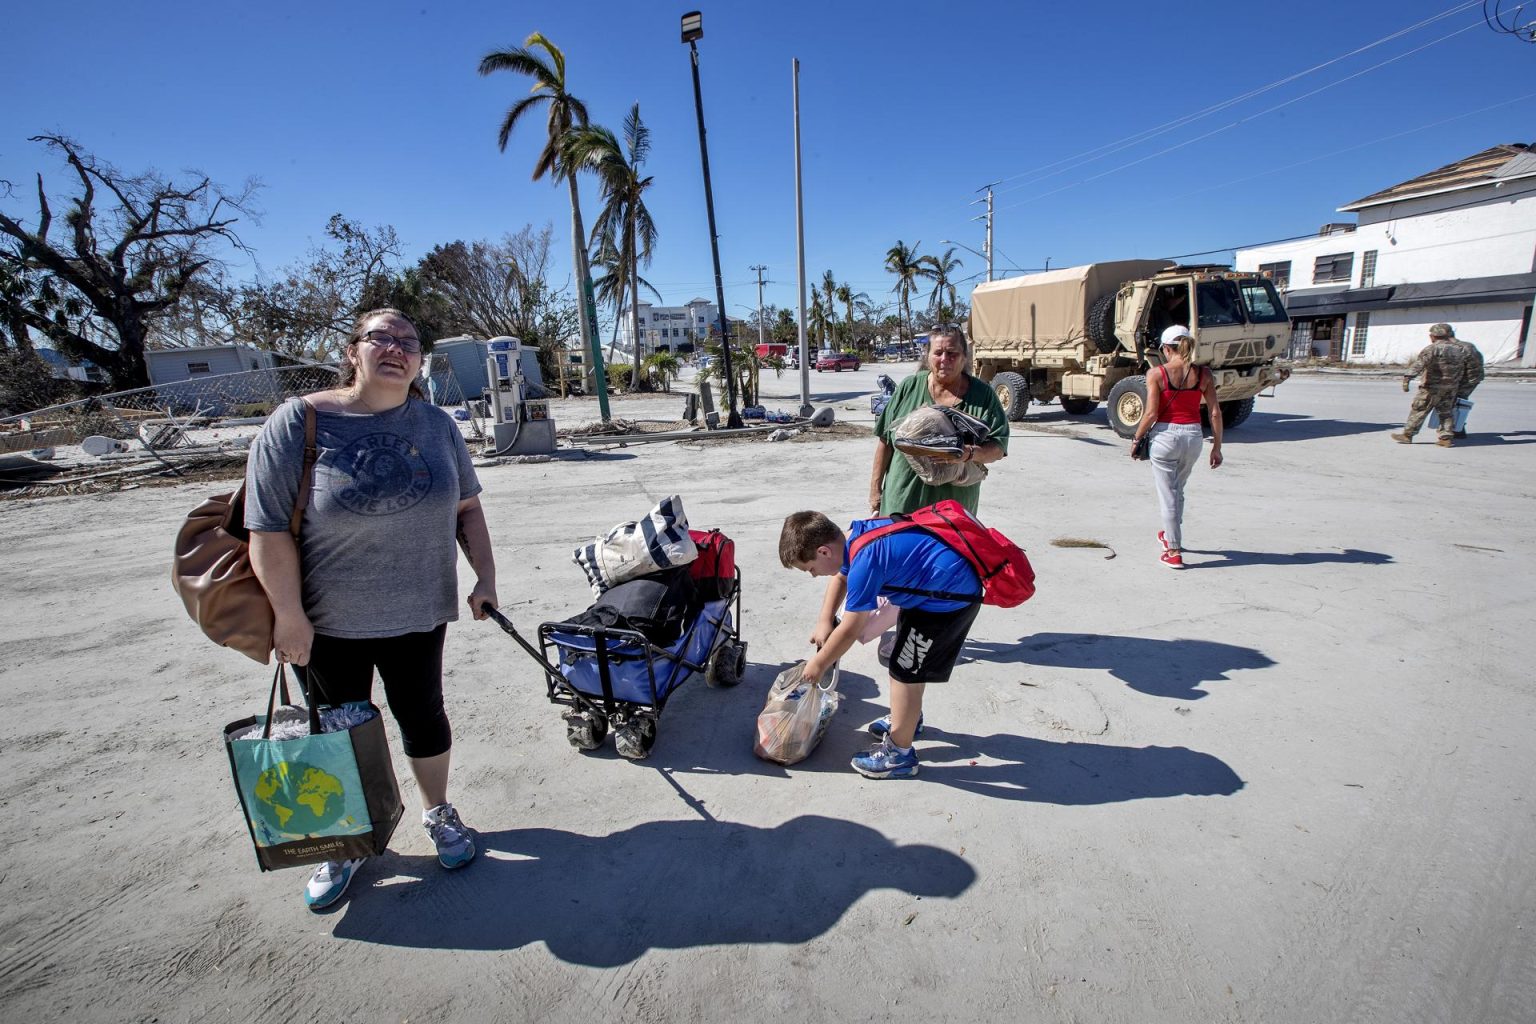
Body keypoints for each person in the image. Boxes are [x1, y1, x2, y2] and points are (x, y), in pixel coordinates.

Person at [247, 308, 499, 912]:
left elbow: (468, 509)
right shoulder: (300, 422)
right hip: (327, 620)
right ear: (352, 350)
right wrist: (288, 614)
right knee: (335, 732)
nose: (396, 348)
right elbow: (267, 528)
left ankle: (437, 812)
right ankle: (343, 841)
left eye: (408, 341)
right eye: (380, 338)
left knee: (423, 715)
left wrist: (485, 576)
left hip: (419, 610)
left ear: (420, 359)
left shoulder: (438, 425)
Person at [780, 509, 983, 780]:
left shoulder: (864, 561)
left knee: (905, 672)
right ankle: (907, 720)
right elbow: (841, 576)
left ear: (824, 551)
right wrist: (824, 620)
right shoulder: (853, 538)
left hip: (946, 600)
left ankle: (900, 755)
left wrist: (818, 664)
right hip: (927, 591)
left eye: (811, 569)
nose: (814, 575)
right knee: (906, 662)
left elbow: (852, 627)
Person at [868, 325, 1008, 517]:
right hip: (901, 504)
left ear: (964, 357)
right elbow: (885, 441)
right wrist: (875, 489)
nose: (944, 360)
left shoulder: (983, 395)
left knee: (949, 548)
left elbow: (998, 448)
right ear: (928, 356)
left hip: (953, 514)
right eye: (938, 352)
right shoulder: (909, 387)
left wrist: (967, 453)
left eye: (952, 353)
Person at [1129, 325, 1223, 569]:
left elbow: (1150, 413)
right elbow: (1214, 412)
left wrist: (1137, 438)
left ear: (1167, 348)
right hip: (1193, 437)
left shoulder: (1157, 374)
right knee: (1178, 489)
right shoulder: (1204, 375)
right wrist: (1217, 447)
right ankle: (1170, 534)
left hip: (1166, 437)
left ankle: (1173, 550)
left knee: (1167, 494)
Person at [1392, 323, 1471, 448]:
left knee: (1419, 410)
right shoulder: (1460, 349)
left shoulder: (1432, 348)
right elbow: (1466, 368)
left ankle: (1407, 435)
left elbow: (1419, 364)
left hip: (1431, 387)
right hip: (1451, 388)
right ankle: (1445, 438)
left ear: (1433, 336)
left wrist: (1407, 378)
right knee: (1446, 412)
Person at [1442, 324, 1485, 438]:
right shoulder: (1468, 345)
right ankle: (1458, 429)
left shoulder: (1453, 348)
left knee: (1454, 404)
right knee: (1459, 402)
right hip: (1474, 378)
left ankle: (1457, 430)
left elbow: (1453, 367)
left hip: (1465, 379)